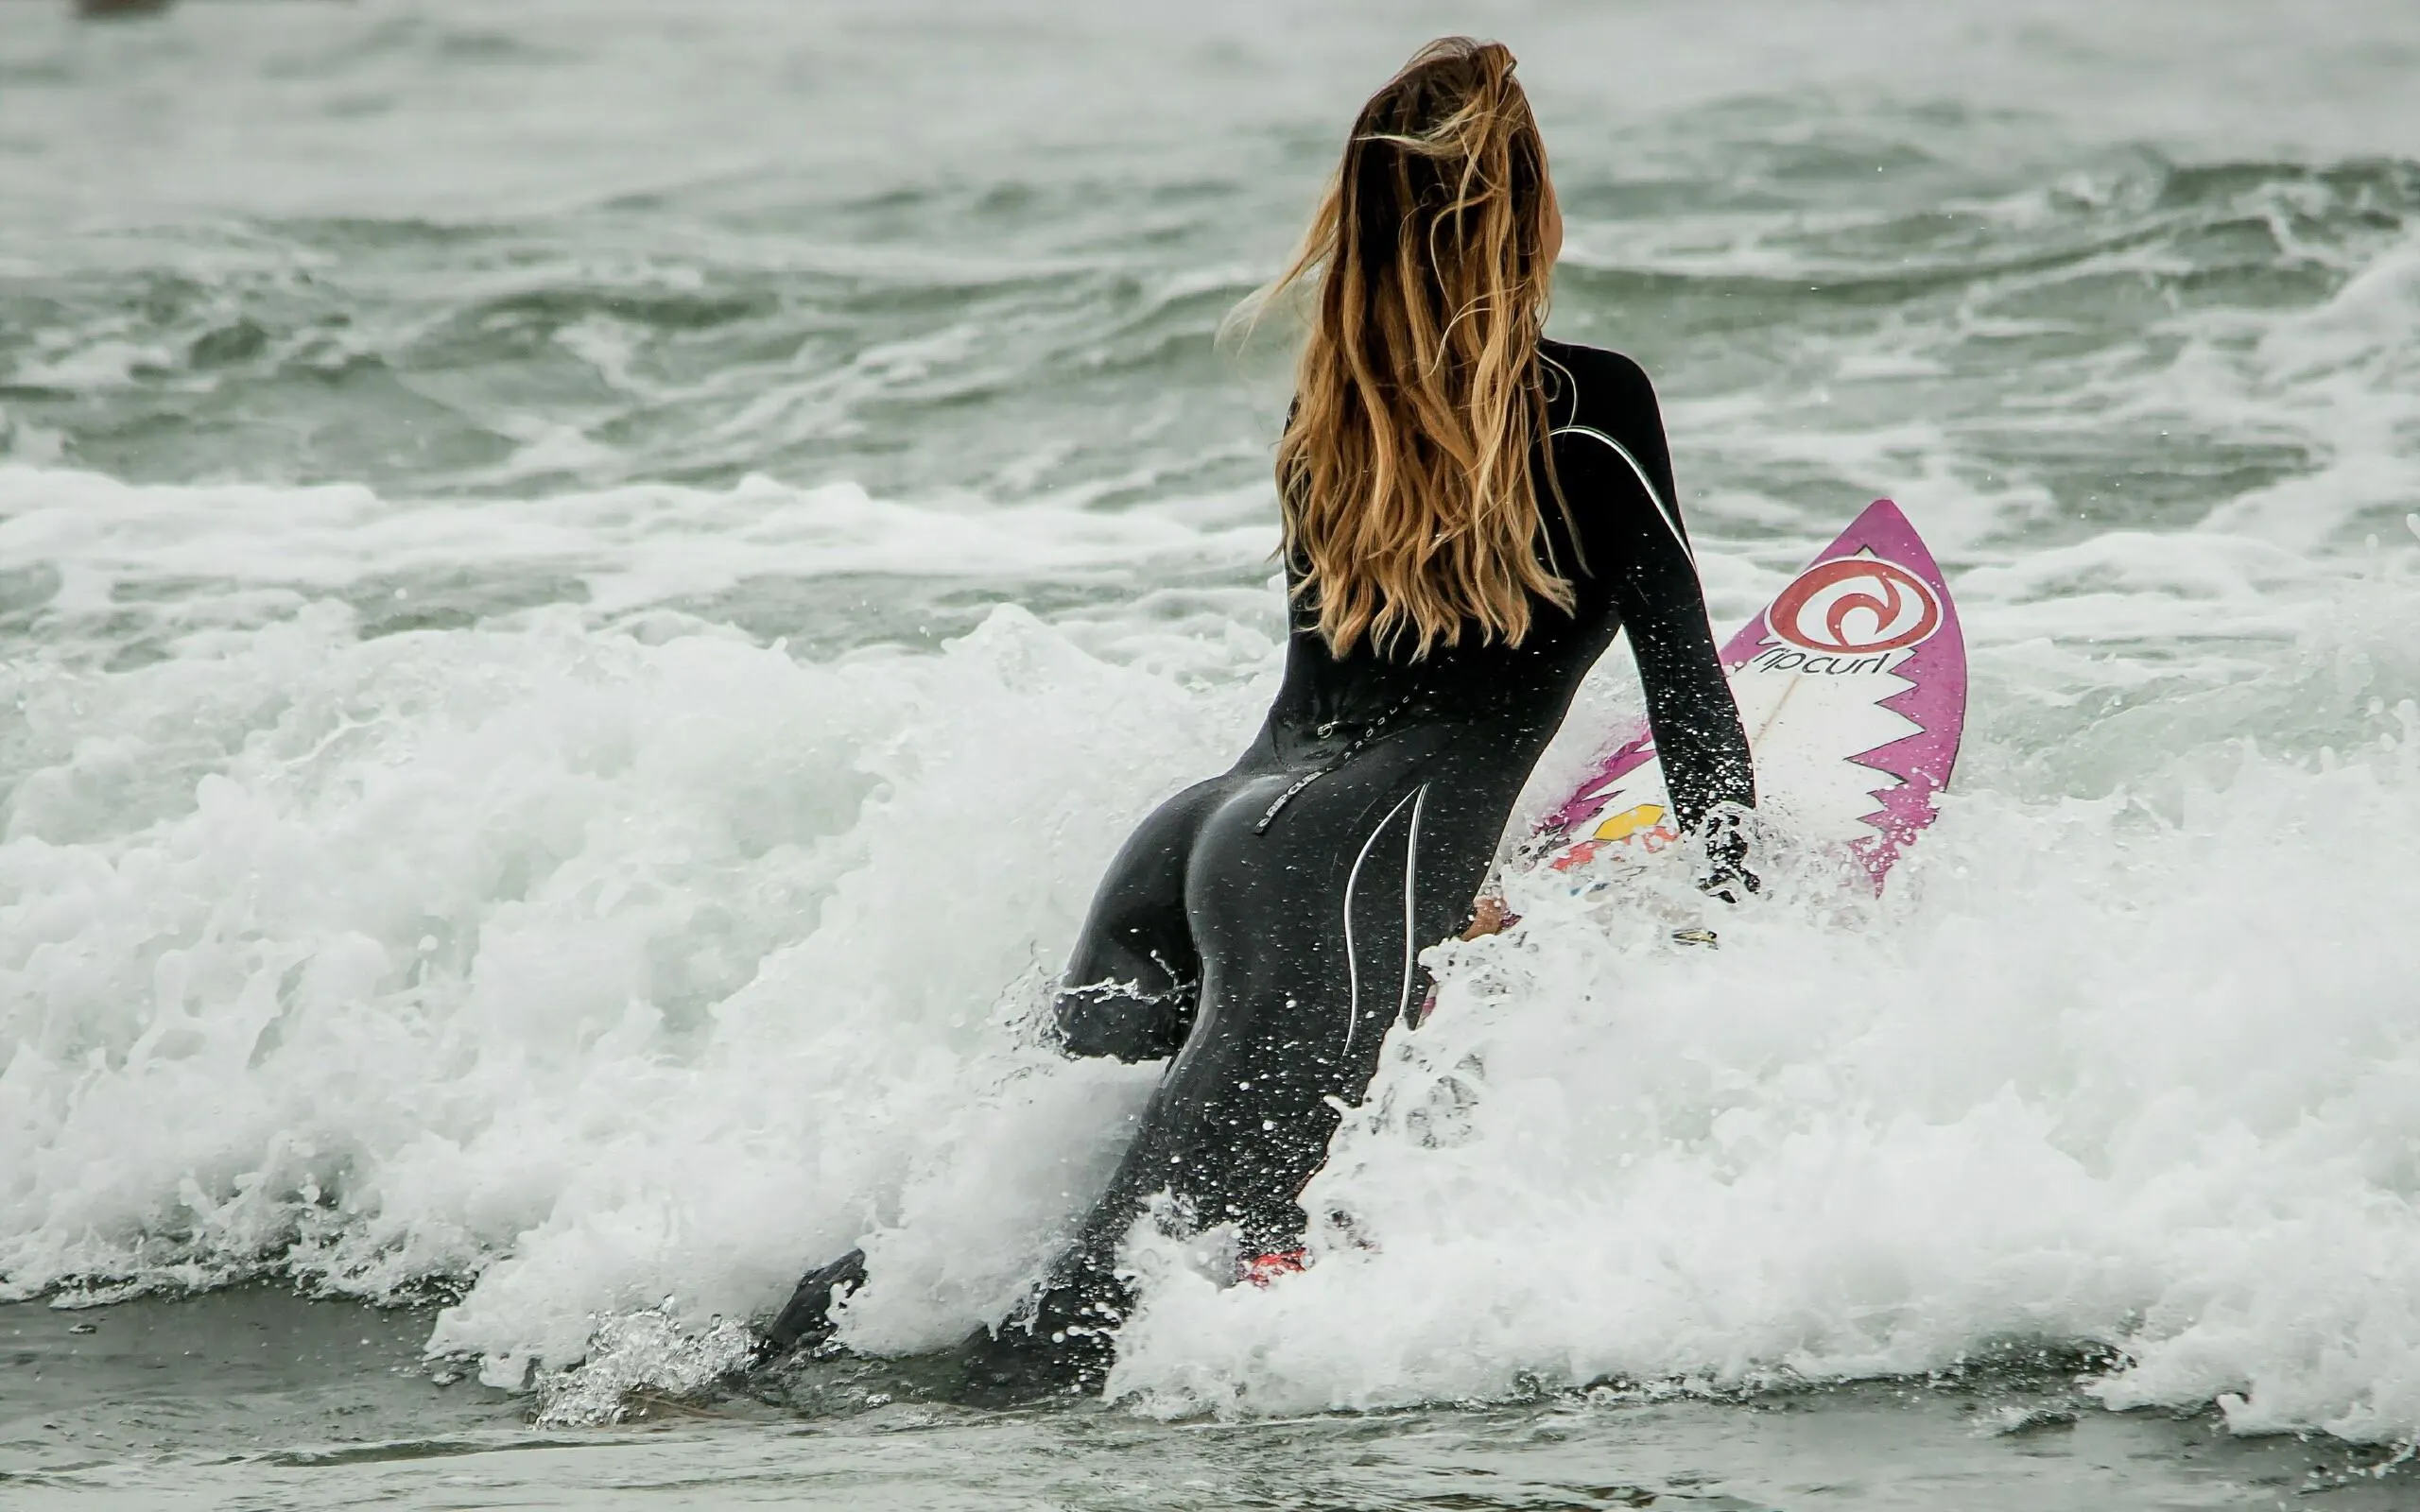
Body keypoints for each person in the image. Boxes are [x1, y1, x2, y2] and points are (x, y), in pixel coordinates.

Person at [766, 35, 1755, 1398]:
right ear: (1527, 211)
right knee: (1103, 1308)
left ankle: (724, 1382)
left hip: (1197, 841)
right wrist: (1748, 920)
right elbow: (1690, 701)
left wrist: (1436, 892)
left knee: (976, 1220)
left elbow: (1332, 698)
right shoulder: (1596, 409)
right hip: (1340, 865)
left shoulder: (1328, 420)